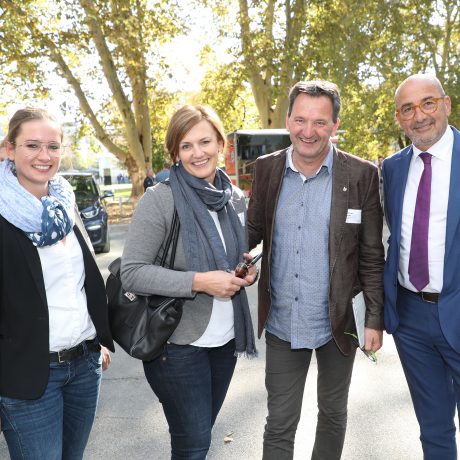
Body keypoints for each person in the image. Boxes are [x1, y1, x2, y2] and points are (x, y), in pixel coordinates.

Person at [247, 80, 384, 460]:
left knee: (333, 415)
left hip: (339, 322)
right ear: (288, 119)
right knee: (279, 423)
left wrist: (374, 319)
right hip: (283, 320)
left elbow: (372, 254)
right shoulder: (267, 169)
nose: (309, 131)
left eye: (320, 122)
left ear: (335, 125)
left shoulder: (361, 175)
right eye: (301, 120)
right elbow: (251, 232)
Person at [121, 104, 257, 460]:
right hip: (177, 345)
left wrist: (245, 272)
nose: (198, 153)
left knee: (199, 439)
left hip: (225, 341)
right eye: (186, 145)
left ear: (221, 144)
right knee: (193, 444)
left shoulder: (234, 198)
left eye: (205, 142)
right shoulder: (160, 199)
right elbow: (132, 272)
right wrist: (198, 282)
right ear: (175, 153)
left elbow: (231, 259)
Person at [0, 108, 114, 459]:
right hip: (28, 374)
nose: (44, 156)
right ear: (9, 149)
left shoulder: (64, 203)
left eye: (53, 146)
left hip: (85, 365)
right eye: (32, 145)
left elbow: (80, 281)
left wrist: (95, 339)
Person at [383, 73, 460, 459]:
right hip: (411, 319)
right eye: (408, 108)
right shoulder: (392, 168)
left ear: (446, 104)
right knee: (433, 428)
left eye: (428, 103)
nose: (420, 115)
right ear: (399, 118)